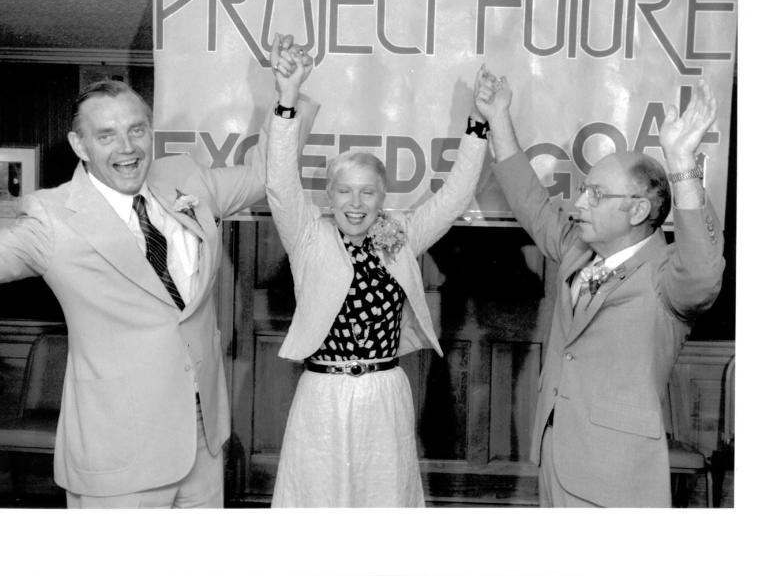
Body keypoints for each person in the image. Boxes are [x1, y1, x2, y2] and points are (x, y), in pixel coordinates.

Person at [0, 59, 313, 508]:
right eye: (107, 135)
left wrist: (288, 99)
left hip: (202, 440)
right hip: (118, 454)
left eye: (137, 130)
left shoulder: (184, 180)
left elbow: (262, 176)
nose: (128, 147)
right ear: (79, 145)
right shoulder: (52, 216)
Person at [476, 69, 724, 507]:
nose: (578, 203)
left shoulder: (668, 278)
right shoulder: (577, 248)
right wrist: (498, 118)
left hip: (616, 477)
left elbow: (704, 271)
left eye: (595, 194)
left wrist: (681, 163)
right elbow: (529, 199)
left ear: (638, 211)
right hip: (554, 459)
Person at [264, 37, 489, 507]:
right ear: (328, 196)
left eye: (368, 193)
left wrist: (478, 124)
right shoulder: (309, 236)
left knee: (383, 502)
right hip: (322, 392)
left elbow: (452, 198)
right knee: (318, 502)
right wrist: (288, 99)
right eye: (344, 192)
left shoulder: (400, 234)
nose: (355, 203)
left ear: (382, 197)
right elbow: (281, 181)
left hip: (385, 389)